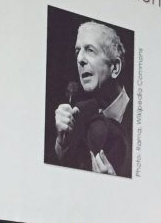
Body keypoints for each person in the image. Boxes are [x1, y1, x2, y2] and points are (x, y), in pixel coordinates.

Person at [54, 21, 130, 176]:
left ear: (114, 67)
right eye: (77, 51)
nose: (80, 59)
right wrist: (62, 140)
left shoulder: (140, 118)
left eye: (90, 50)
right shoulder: (78, 113)